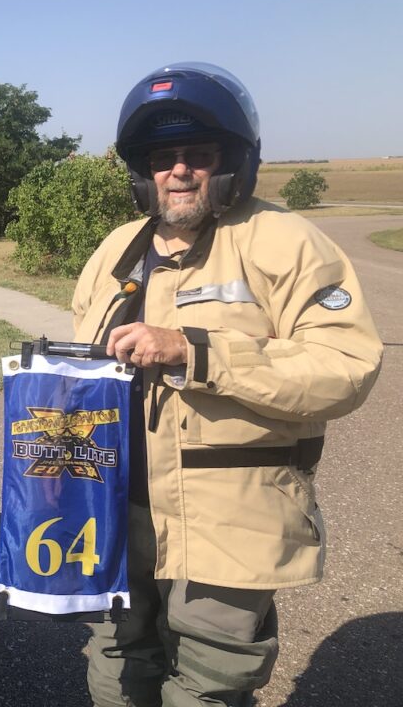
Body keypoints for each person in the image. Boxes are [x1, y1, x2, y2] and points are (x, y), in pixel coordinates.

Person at [71, 63, 382, 707]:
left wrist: (197, 352)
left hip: (229, 514)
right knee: (114, 659)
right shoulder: (114, 251)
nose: (178, 170)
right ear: (142, 170)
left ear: (233, 162)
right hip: (115, 508)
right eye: (163, 157)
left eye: (198, 154)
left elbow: (345, 368)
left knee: (209, 680)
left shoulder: (286, 242)